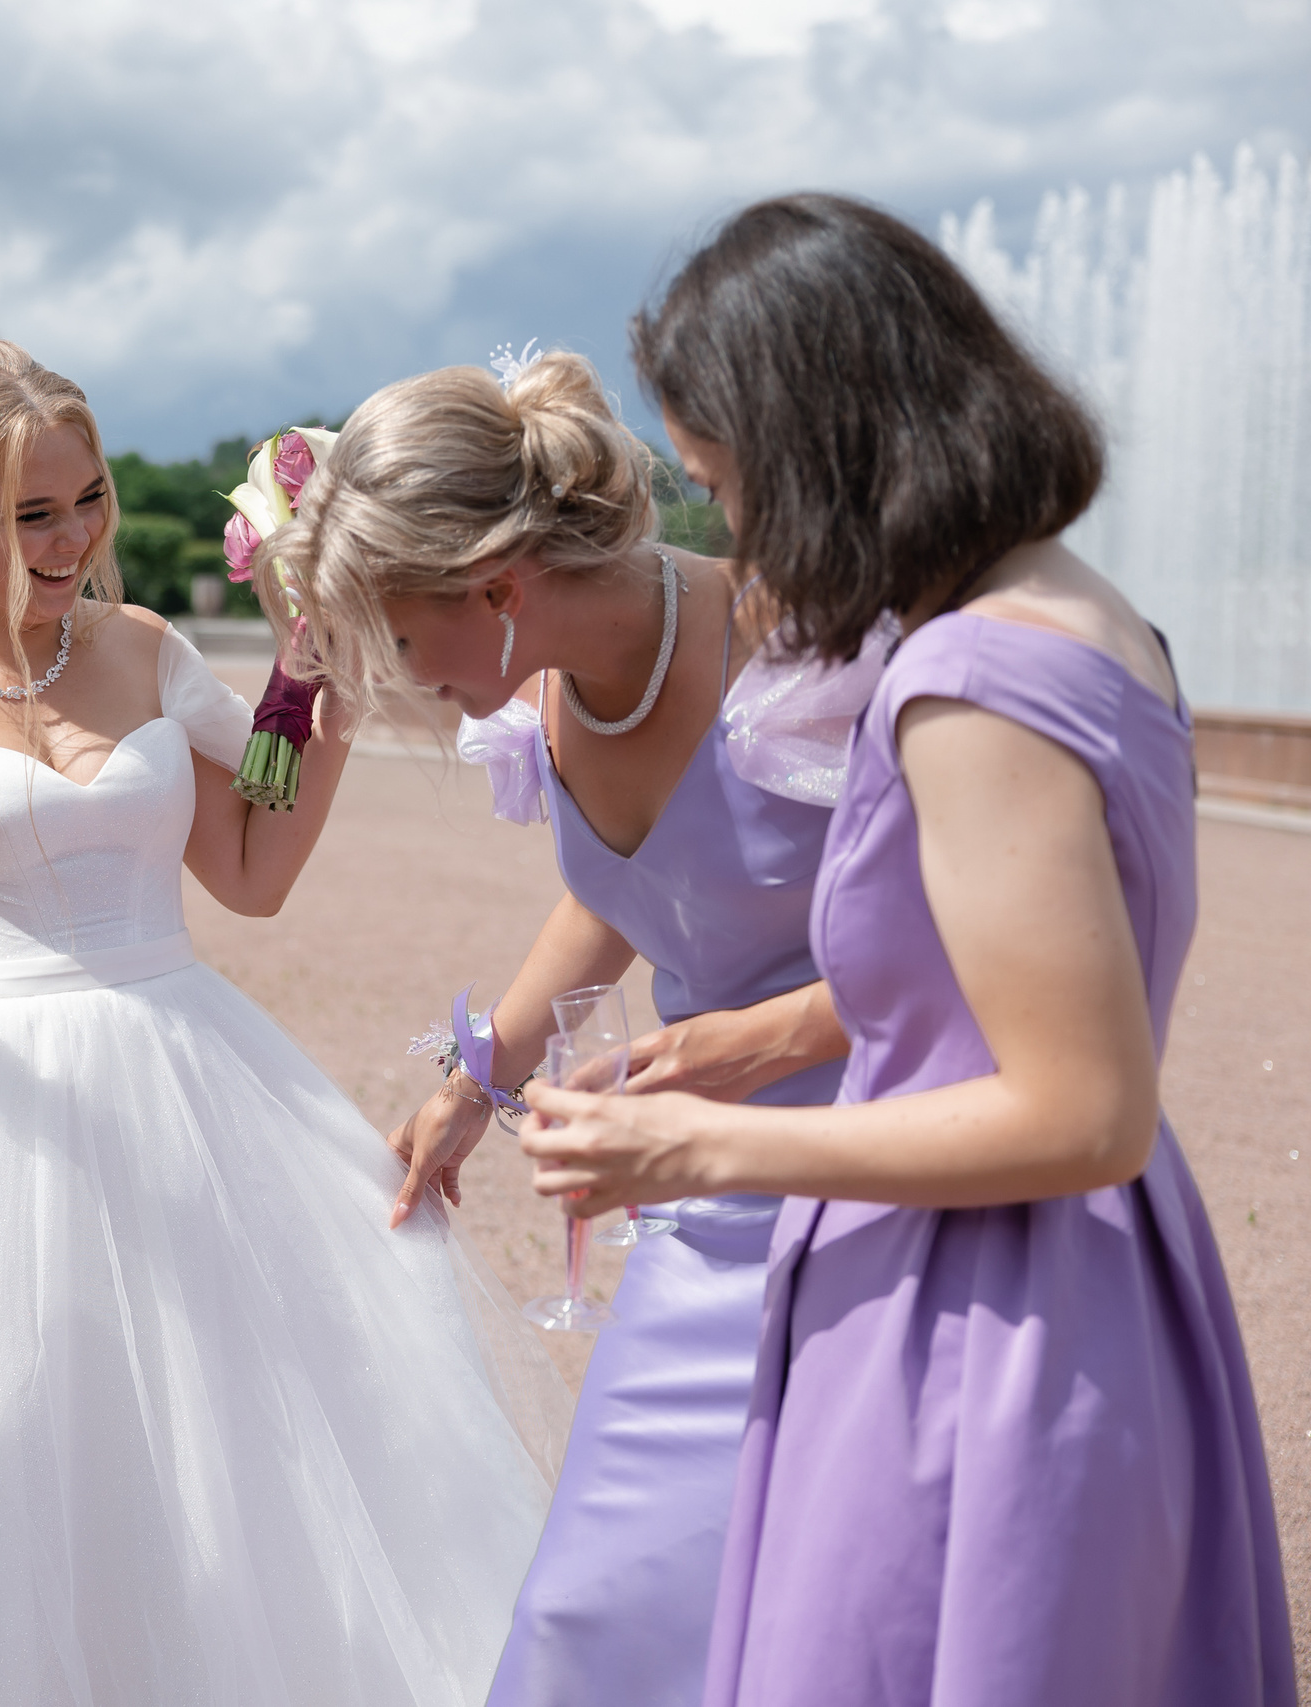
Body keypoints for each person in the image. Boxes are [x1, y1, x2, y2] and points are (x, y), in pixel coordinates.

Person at [0, 338, 567, 1707]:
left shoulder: (144, 645)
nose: (73, 538)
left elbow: (251, 864)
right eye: (30, 511)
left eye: (88, 497)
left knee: (236, 1452)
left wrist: (305, 669)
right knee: (16, 1470)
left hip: (190, 1074)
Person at [522, 193, 1293, 1705]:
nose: (731, 529)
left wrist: (693, 1149)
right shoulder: (1085, 611)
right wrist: (772, 1041)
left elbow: (1079, 1108)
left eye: (724, 482)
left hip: (983, 1318)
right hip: (1089, 1276)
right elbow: (996, 982)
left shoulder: (970, 682)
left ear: (818, 450)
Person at [267, 345, 871, 1707]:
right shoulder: (545, 693)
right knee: (602, 1604)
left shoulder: (799, 650)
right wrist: (467, 1077)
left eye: (406, 644)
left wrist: (742, 1048)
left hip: (881, 1173)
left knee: (836, 1604)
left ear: (497, 588)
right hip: (688, 1188)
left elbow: (967, 955)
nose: (413, 686)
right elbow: (623, 899)